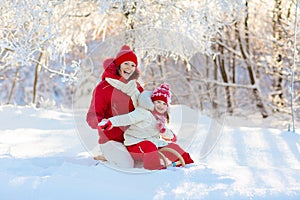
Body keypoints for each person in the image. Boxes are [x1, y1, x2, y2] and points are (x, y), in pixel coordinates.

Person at [99, 83, 194, 170]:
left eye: (164, 103)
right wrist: (111, 122)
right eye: (158, 102)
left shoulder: (161, 117)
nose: (161, 106)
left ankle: (188, 163)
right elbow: (128, 118)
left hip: (154, 143)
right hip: (135, 144)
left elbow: (164, 131)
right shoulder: (143, 112)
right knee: (149, 146)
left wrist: (171, 136)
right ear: (152, 102)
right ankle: (155, 168)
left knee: (173, 147)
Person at [86, 45, 143, 168]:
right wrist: (102, 123)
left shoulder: (136, 87)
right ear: (118, 66)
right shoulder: (104, 88)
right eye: (126, 64)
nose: (129, 68)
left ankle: (111, 156)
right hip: (111, 140)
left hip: (132, 138)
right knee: (127, 165)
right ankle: (106, 163)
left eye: (133, 65)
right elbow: (92, 116)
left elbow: (145, 109)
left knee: (146, 163)